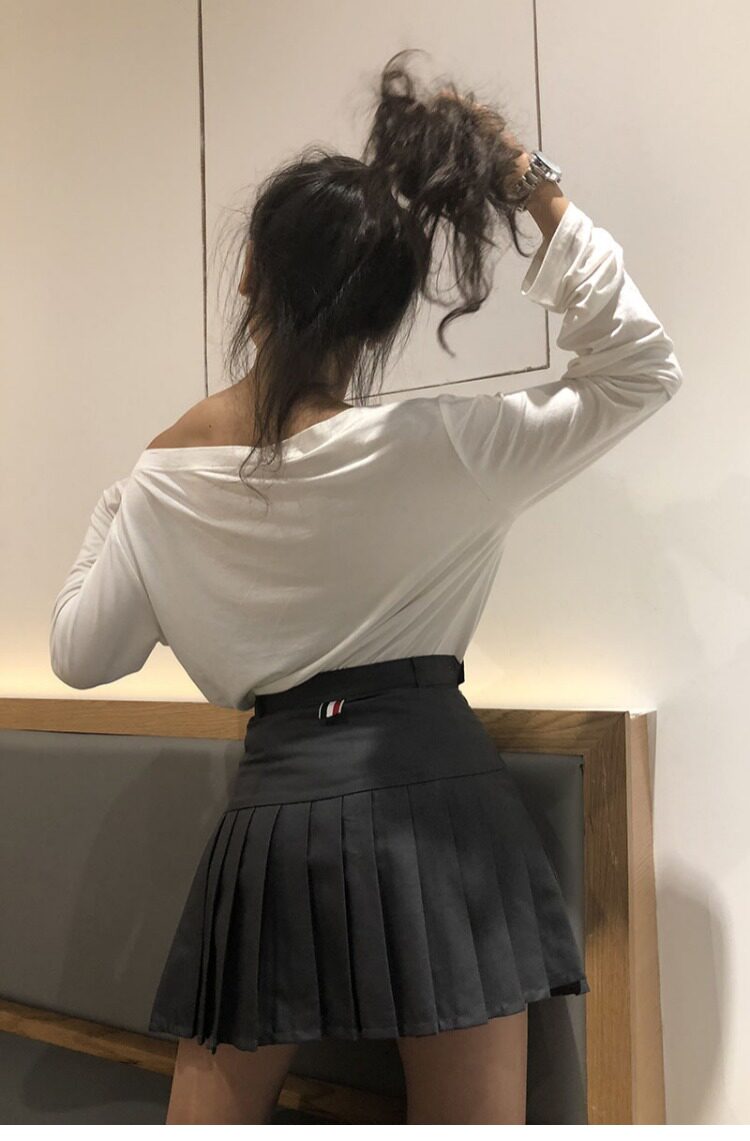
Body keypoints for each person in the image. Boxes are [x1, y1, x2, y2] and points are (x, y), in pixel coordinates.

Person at [49, 50, 682, 1125]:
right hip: (442, 802)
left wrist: (134, 486)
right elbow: (639, 366)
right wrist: (528, 181)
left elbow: (82, 653)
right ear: (387, 315)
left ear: (249, 276)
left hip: (276, 817)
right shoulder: (444, 448)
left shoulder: (166, 484)